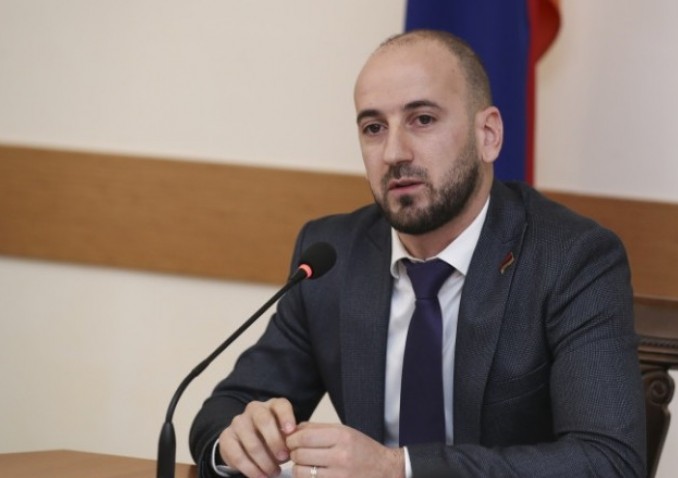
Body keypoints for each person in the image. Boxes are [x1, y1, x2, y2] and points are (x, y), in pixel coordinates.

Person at [190, 29, 646, 478]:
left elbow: (608, 462)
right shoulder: (334, 256)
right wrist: (238, 441)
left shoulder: (572, 258)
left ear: (488, 135)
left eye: (422, 119)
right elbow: (224, 412)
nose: (393, 152)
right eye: (374, 128)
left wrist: (399, 469)